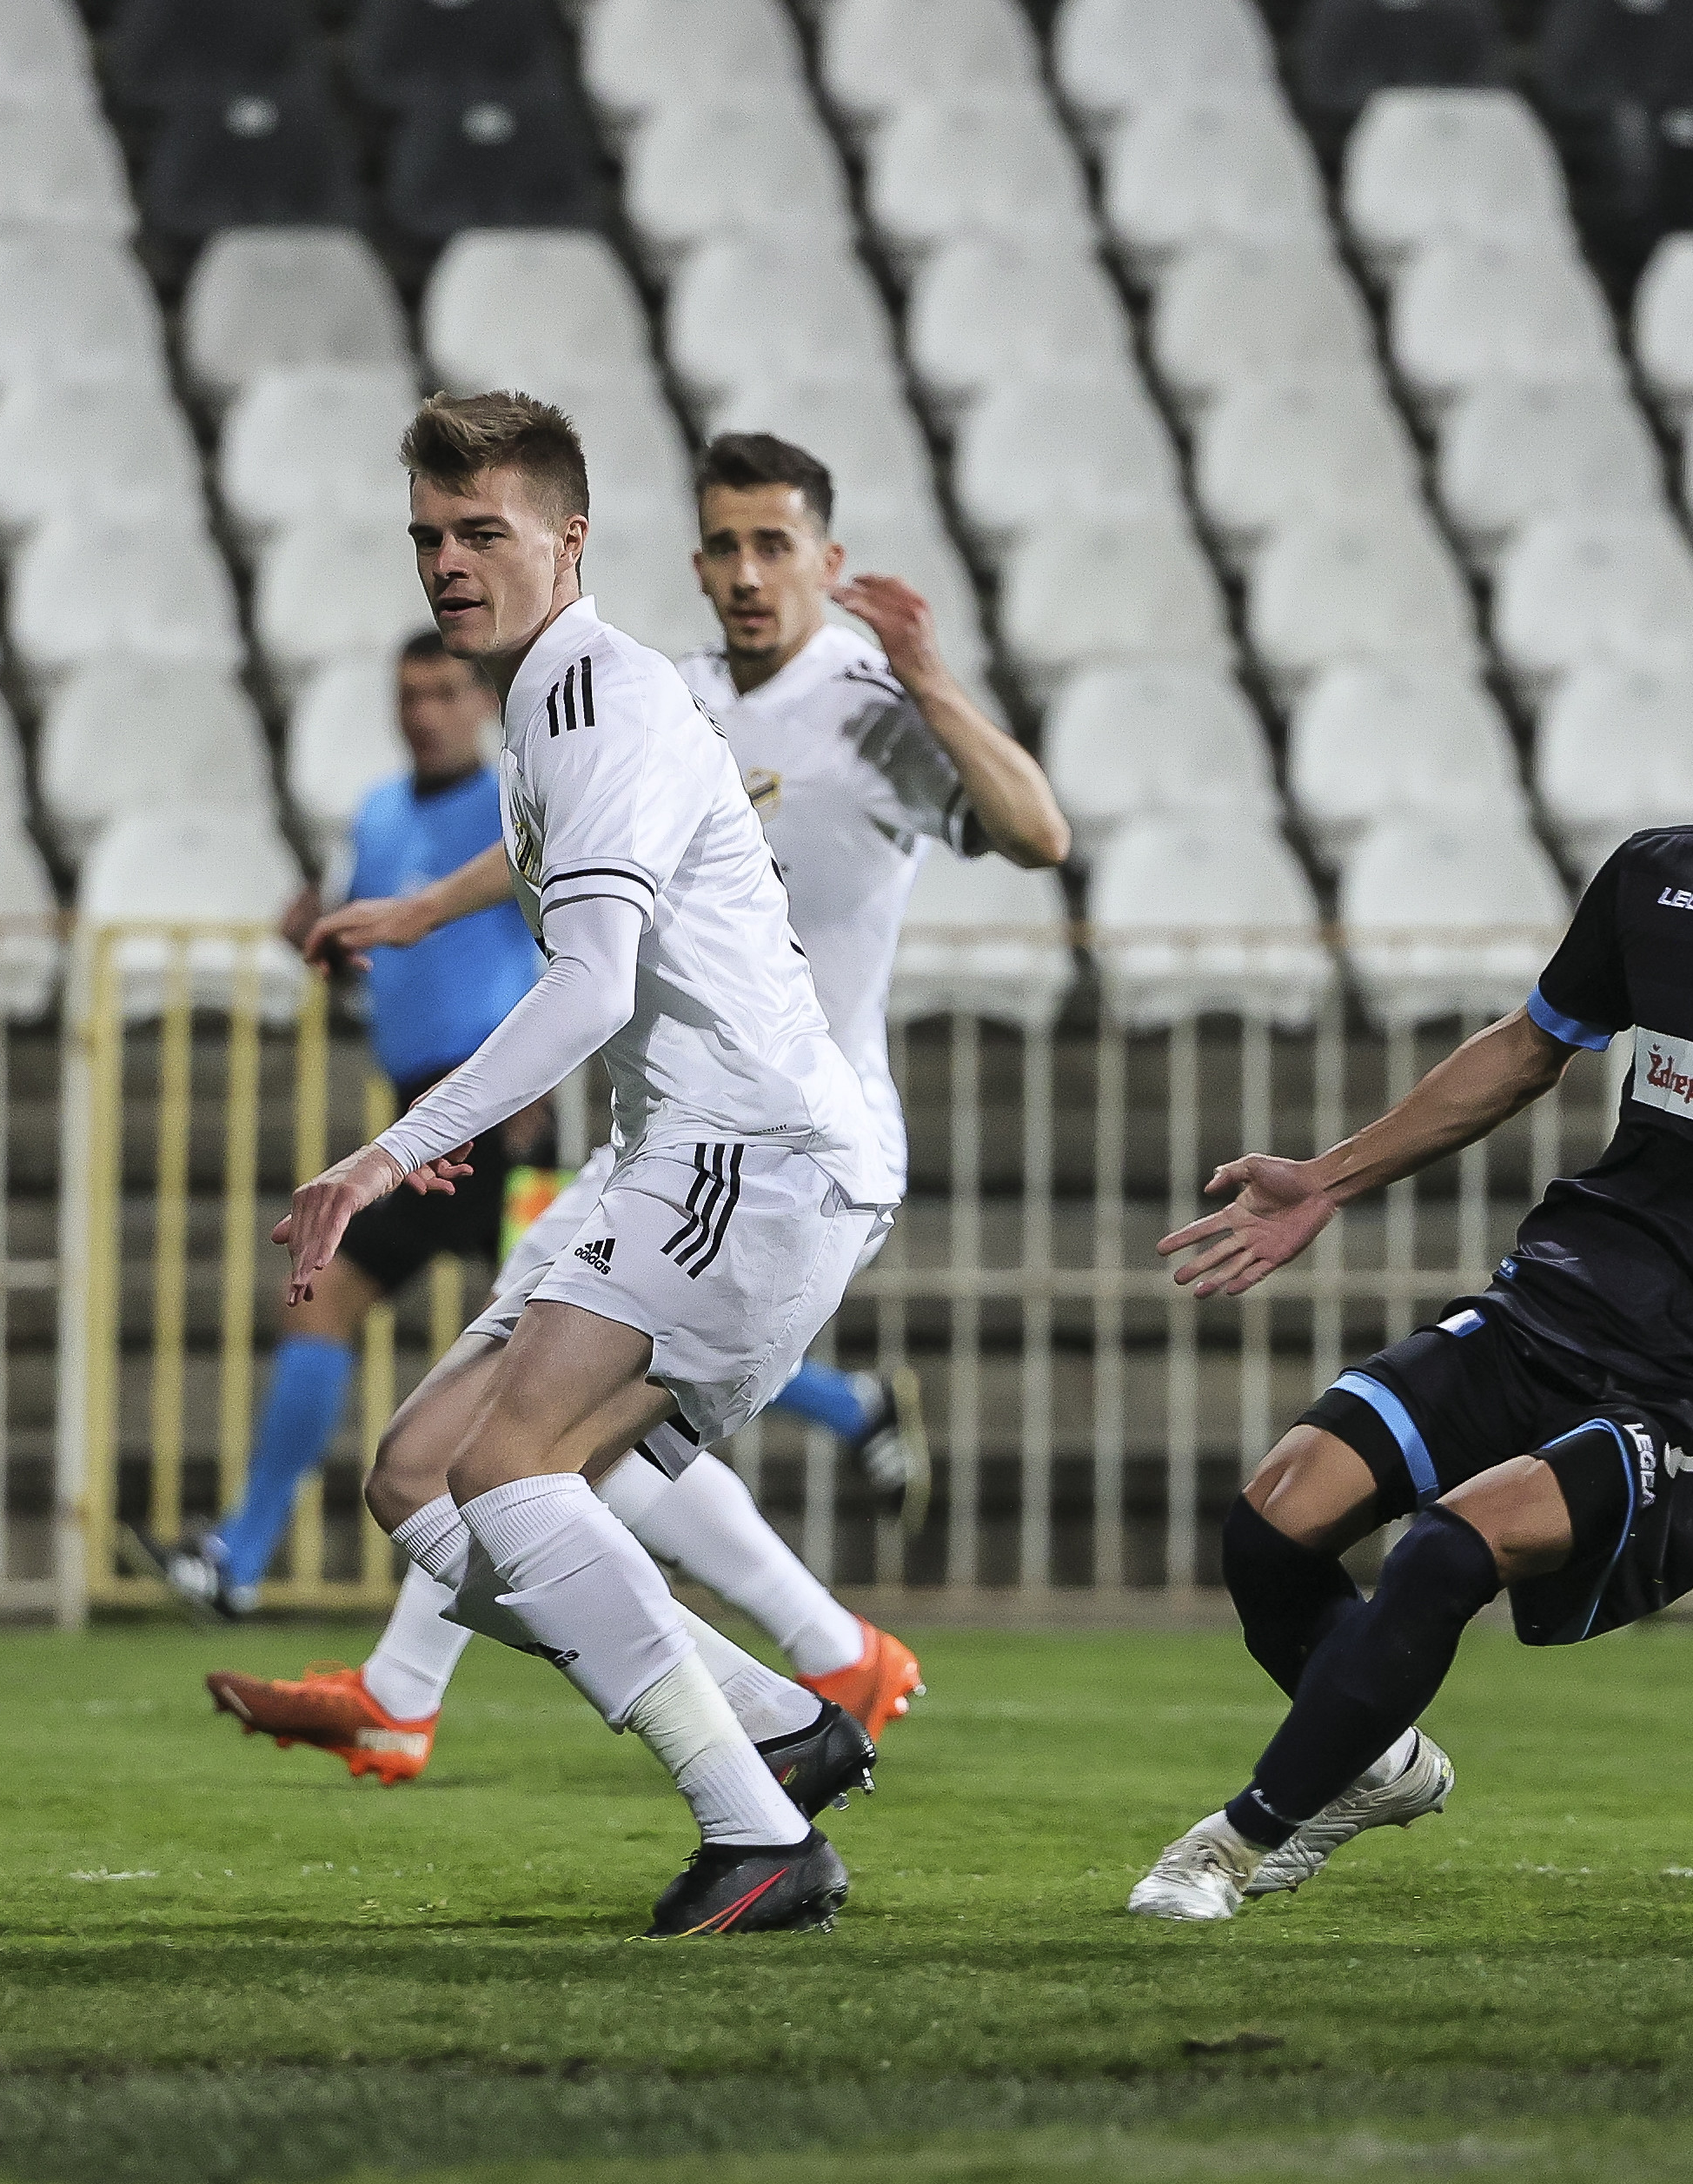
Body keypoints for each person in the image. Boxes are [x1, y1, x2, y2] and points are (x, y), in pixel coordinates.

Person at [1128, 594, 1693, 1922]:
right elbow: (1527, 1047)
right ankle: (1372, 1761)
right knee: (1272, 1521)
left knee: (1446, 1552)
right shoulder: (1659, 876)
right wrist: (1326, 1176)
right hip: (1550, 1310)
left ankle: (1231, 1842)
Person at [209, 429, 1069, 1782]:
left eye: (772, 544)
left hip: (789, 1135)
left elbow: (1040, 835)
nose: (743, 571)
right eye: (722, 543)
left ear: (826, 562)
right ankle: (760, 1681)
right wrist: (427, 910)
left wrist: (933, 678)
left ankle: (787, 1682)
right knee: (508, 1463)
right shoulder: (669, 691)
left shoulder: (868, 707)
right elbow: (580, 838)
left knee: (537, 1468)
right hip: (660, 1134)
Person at [260, 389, 908, 1936]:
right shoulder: (561, 698)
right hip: (670, 1158)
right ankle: (775, 1725)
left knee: (504, 1472)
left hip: (740, 1157)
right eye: (425, 536)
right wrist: (417, 916)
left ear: (567, 537)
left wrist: (383, 1154)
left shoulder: (594, 700)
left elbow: (595, 982)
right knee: (417, 1481)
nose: (446, 562)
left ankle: (755, 1836)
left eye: (479, 531)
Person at [160, 633, 551, 1620]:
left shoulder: (515, 801)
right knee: (334, 1296)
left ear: (479, 702)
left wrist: (534, 1080)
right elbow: (381, 957)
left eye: (445, 690)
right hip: (423, 1115)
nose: (424, 710)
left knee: (592, 1334)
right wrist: (321, 945)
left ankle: (239, 1556)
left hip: (501, 1111)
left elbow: (571, 939)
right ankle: (237, 1558)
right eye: (409, 693)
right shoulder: (378, 813)